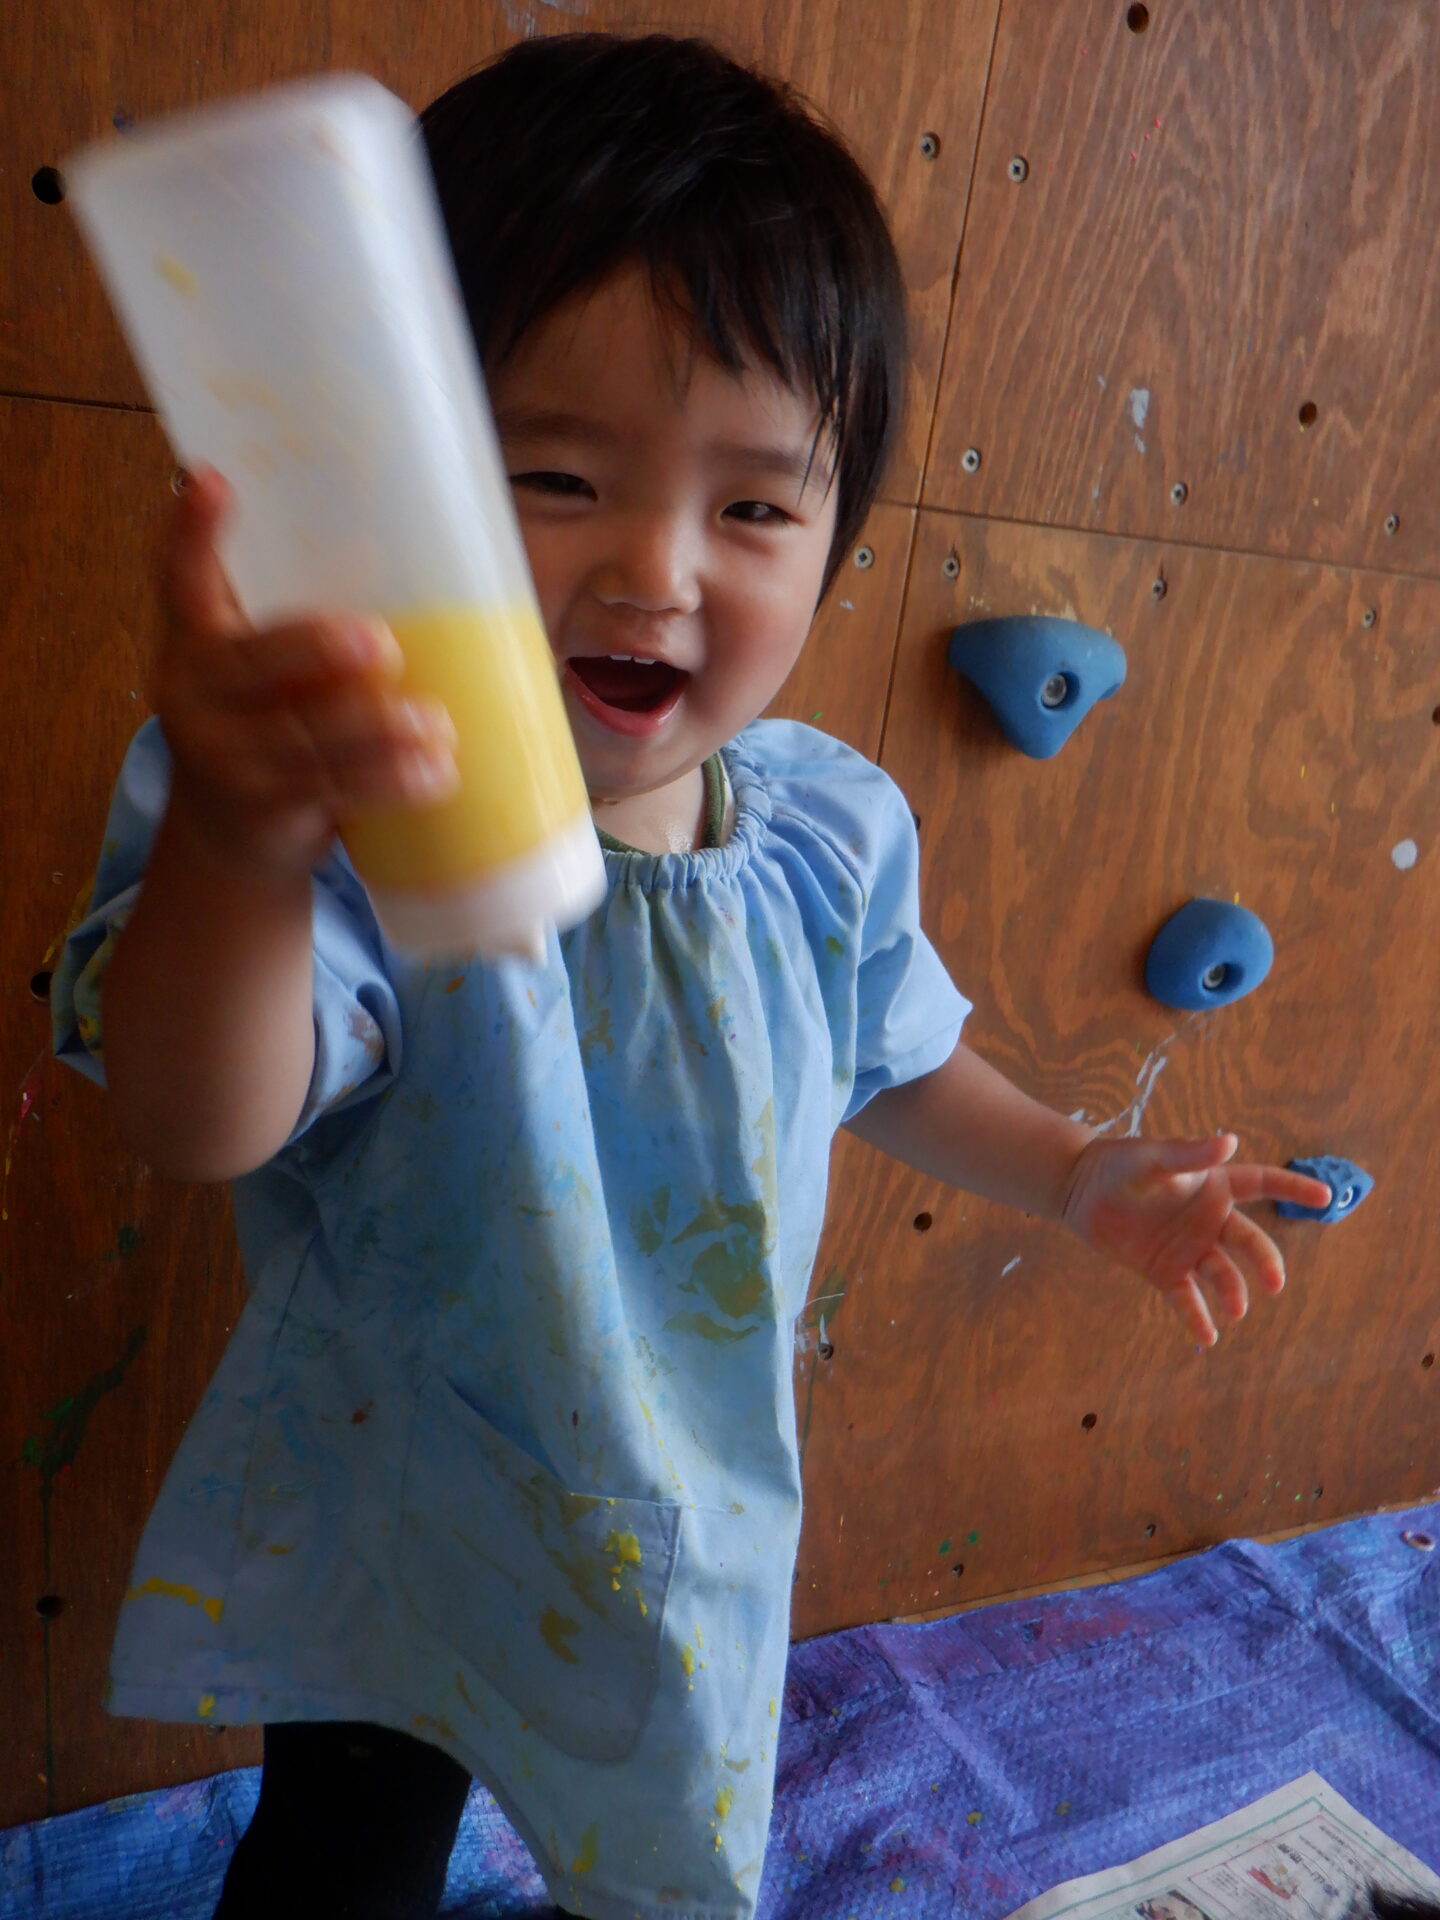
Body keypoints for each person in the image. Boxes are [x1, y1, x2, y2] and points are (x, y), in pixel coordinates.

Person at [51, 32, 1332, 1920]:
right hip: (402, 1494)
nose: (656, 570)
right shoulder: (346, 818)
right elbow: (195, 1113)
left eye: (753, 508)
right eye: (555, 475)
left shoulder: (823, 828)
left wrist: (1077, 1169)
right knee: (344, 1851)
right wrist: (242, 836)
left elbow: (889, 1056)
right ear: (386, 482)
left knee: (655, 1871)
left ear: (837, 539)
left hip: (678, 1500)